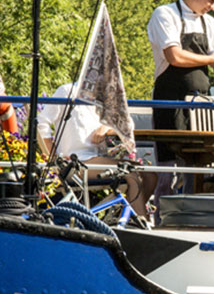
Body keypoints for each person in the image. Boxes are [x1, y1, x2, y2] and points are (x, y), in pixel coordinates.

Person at [147, 0, 214, 205]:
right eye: (211, 0)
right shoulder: (165, 14)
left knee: (197, 166)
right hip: (170, 102)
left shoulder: (210, 24)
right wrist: (210, 59)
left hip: (201, 108)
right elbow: (175, 56)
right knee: (168, 170)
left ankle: (194, 215)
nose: (213, 7)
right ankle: (163, 219)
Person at [37, 82, 156, 220]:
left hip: (96, 159)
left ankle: (124, 219)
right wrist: (55, 159)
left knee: (150, 176)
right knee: (131, 174)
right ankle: (141, 225)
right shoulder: (67, 91)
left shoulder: (108, 94)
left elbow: (128, 122)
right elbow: (41, 123)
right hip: (76, 162)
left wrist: (106, 127)